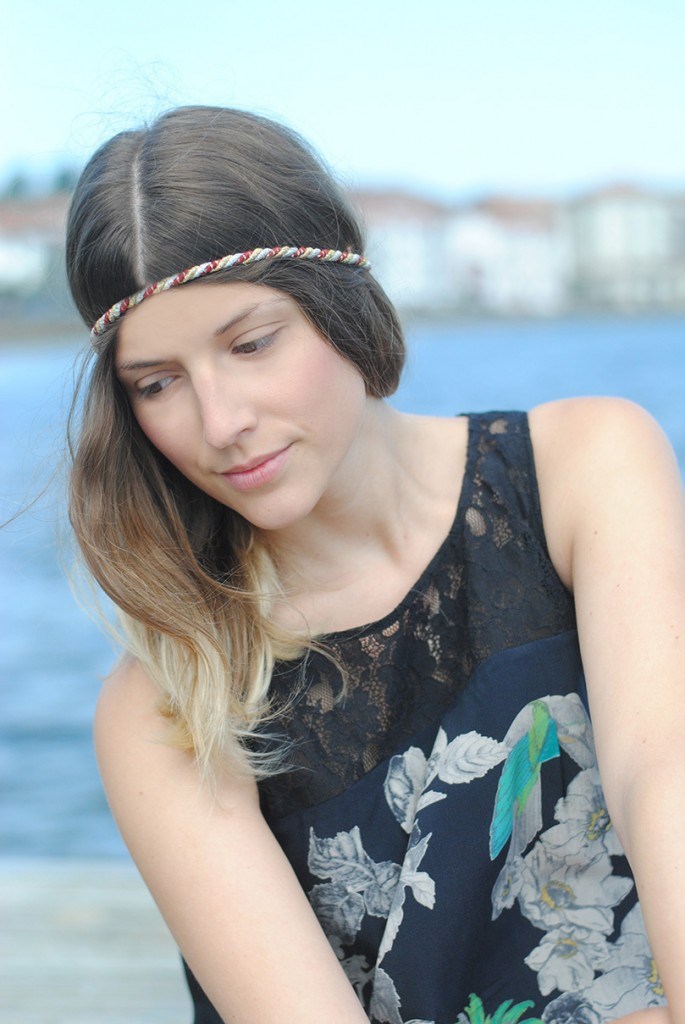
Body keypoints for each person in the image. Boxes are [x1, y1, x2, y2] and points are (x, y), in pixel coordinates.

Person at [65, 105, 684, 1024]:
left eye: (251, 344)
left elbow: (659, 776)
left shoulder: (582, 468)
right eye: (157, 384)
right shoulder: (167, 697)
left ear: (340, 304)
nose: (220, 422)